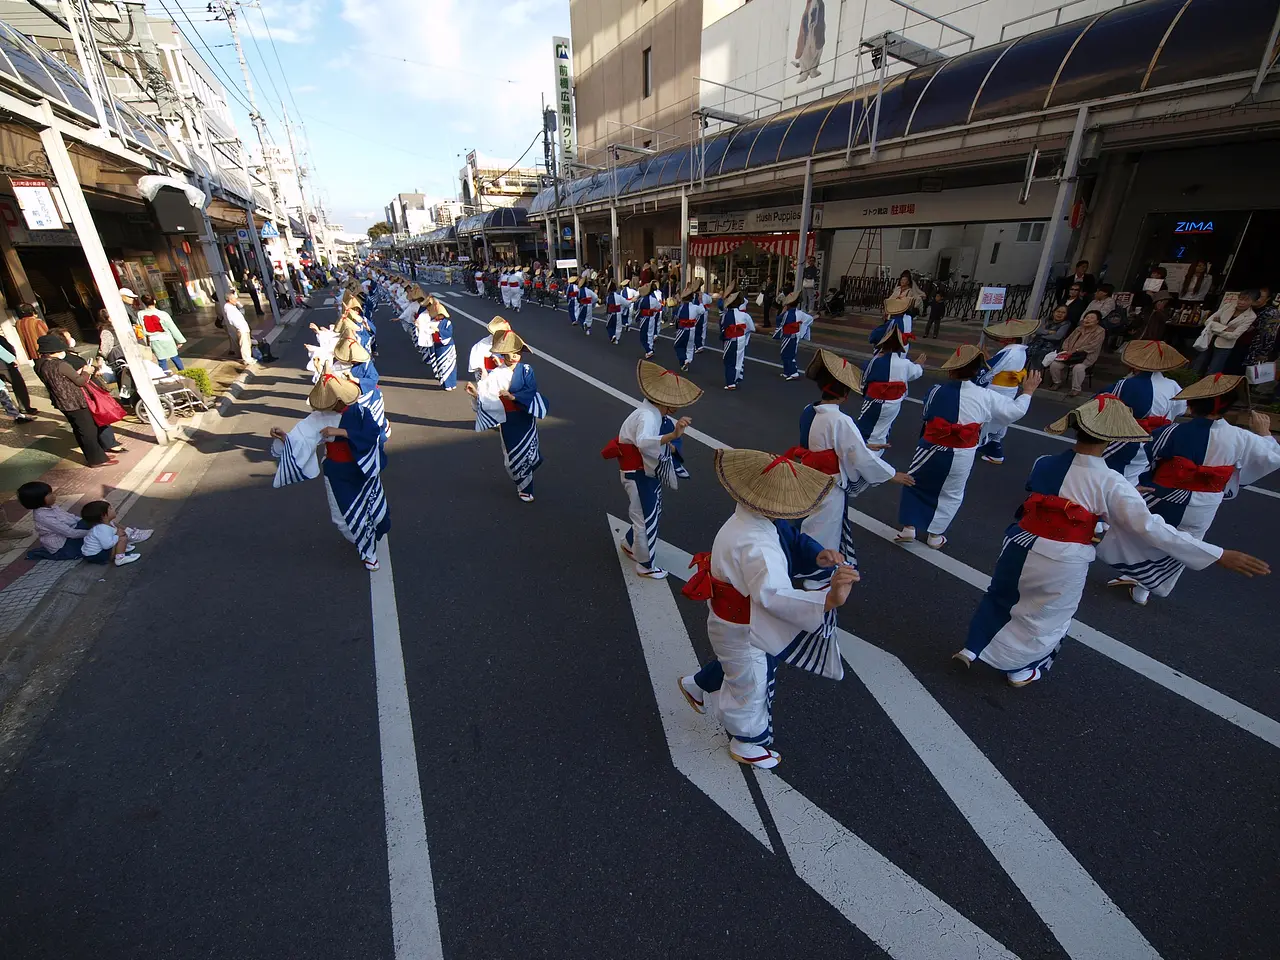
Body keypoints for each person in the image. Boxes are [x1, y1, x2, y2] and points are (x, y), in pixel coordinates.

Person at [956, 395, 1267, 686]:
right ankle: (1020, 668)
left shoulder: (1044, 462)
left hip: (1019, 542)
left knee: (1001, 594)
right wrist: (1216, 553)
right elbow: (1150, 528)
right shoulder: (1112, 482)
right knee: (1049, 615)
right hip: (1062, 557)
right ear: (1114, 437)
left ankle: (973, 648)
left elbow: (1051, 490)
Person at [677, 448, 859, 769]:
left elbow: (792, 540)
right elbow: (774, 595)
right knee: (753, 680)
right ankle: (746, 741)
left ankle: (697, 685)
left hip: (731, 616)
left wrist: (819, 556)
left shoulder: (750, 518)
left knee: (737, 664)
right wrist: (828, 599)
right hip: (744, 622)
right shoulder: (757, 543)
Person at [1099, 374, 1280, 605]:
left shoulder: (1170, 432)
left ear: (1191, 406)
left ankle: (1136, 572)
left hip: (1166, 496)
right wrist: (1263, 432)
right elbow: (1272, 455)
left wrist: (1139, 481)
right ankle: (1147, 586)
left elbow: (1146, 457)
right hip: (1207, 502)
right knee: (1188, 542)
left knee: (1149, 533)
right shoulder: (1242, 437)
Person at [897, 345, 1041, 549]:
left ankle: (909, 527)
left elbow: (927, 415)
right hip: (962, 452)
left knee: (915, 482)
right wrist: (1027, 392)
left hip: (931, 447)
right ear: (978, 371)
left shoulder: (935, 391)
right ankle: (935, 535)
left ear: (950, 370)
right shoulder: (986, 396)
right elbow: (1014, 412)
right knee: (952, 492)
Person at [790, 350, 911, 581]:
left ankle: (799, 562)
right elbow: (857, 456)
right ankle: (816, 577)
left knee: (806, 519)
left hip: (807, 475)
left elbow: (829, 443)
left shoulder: (809, 410)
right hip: (828, 483)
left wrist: (865, 446)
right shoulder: (840, 420)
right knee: (823, 528)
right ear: (845, 395)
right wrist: (891, 474)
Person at [270, 370, 390, 572]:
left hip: (362, 470)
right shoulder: (317, 417)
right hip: (336, 472)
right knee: (345, 518)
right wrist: (284, 437)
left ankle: (368, 536)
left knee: (378, 516)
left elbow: (372, 434)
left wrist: (341, 432)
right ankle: (367, 550)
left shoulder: (360, 412)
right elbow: (301, 439)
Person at [603, 360, 700, 579]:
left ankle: (629, 543)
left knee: (646, 512)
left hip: (641, 471)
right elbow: (645, 442)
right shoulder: (647, 416)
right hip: (637, 472)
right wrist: (673, 436)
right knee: (646, 517)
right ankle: (645, 565)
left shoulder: (653, 413)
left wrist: (671, 441)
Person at [465, 331, 548, 503]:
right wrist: (476, 394)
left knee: (530, 450)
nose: (514, 357)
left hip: (525, 416)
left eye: (517, 353)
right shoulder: (497, 374)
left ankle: (526, 486)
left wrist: (515, 397)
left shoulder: (526, 370)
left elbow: (531, 389)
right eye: (510, 354)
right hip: (508, 419)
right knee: (512, 456)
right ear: (503, 355)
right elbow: (487, 393)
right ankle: (521, 482)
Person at [1100, 339, 1188, 485]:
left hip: (1126, 440)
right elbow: (1181, 410)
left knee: (1114, 478)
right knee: (1138, 478)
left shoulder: (1125, 384)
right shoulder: (1173, 386)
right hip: (1159, 440)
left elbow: (1100, 405)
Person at [32, 334, 119, 467]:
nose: (62, 352)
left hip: (60, 402)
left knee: (79, 429)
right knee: (87, 430)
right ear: (53, 352)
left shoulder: (39, 365)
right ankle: (97, 459)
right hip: (75, 401)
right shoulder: (61, 364)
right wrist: (86, 371)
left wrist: (76, 373)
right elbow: (80, 382)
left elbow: (59, 380)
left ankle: (97, 455)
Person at [19, 481, 150, 561]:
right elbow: (69, 533)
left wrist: (90, 521)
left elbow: (72, 518)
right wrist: (94, 531)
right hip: (65, 545)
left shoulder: (52, 507)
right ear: (38, 500)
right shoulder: (42, 516)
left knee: (100, 519)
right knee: (102, 526)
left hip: (75, 531)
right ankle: (122, 541)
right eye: (49, 495)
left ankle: (129, 533)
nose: (54, 495)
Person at [975, 318, 1039, 464]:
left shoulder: (1010, 351)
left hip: (997, 389)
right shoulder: (1020, 350)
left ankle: (985, 449)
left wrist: (976, 380)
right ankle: (992, 450)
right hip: (1009, 389)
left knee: (986, 418)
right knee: (999, 419)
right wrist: (984, 353)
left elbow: (991, 369)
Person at [857, 326, 925, 449]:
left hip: (873, 401)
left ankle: (863, 449)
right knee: (883, 428)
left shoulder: (875, 362)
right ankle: (879, 448)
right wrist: (918, 364)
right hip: (894, 403)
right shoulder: (905, 364)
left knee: (865, 427)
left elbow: (866, 374)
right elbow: (916, 372)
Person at [1192, 290, 1257, 375]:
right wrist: (1225, 329)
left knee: (1213, 371)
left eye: (1246, 300)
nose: (1242, 302)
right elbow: (1208, 322)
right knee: (1197, 366)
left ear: (1253, 302)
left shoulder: (1251, 316)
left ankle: (1207, 388)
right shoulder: (1228, 306)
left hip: (1224, 346)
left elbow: (1234, 335)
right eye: (1240, 299)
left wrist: (1216, 326)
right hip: (1209, 339)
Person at [1047, 309, 1106, 396]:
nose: (1088, 319)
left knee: (1078, 368)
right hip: (1070, 354)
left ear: (1097, 321)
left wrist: (1076, 350)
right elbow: (1067, 340)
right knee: (1054, 364)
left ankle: (1076, 388)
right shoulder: (1079, 328)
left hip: (1086, 356)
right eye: (1087, 317)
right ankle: (1057, 382)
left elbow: (1093, 346)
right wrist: (1066, 349)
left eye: (1091, 318)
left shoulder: (1100, 331)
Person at [79, 500, 142, 567]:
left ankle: (121, 549)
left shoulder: (107, 524)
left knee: (119, 535)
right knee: (122, 538)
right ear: (104, 516)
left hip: (94, 553)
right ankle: (120, 559)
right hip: (96, 556)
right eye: (110, 508)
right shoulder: (102, 528)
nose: (113, 509)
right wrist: (118, 535)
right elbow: (107, 545)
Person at [136, 294, 187, 372]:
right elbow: (172, 327)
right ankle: (183, 372)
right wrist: (180, 340)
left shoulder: (140, 314)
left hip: (153, 340)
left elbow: (140, 328)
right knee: (174, 356)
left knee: (161, 360)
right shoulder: (163, 314)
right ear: (154, 301)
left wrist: (145, 341)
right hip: (166, 338)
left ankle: (165, 377)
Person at [773, 290, 815, 380]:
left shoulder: (787, 314)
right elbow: (810, 319)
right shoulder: (799, 313)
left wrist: (783, 311)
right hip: (794, 335)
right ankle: (787, 372)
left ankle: (793, 372)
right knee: (787, 354)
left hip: (789, 336)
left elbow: (778, 320)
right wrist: (802, 327)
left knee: (788, 355)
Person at [720, 287, 754, 391]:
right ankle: (736, 378)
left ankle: (731, 382)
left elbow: (722, 328)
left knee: (729, 361)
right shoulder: (745, 315)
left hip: (730, 340)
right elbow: (751, 328)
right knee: (738, 360)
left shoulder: (725, 316)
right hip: (741, 339)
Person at [0, 337, 34, 424]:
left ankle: (15, 415)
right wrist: (11, 359)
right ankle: (18, 414)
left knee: (2, 392)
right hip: (4, 366)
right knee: (5, 391)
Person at [672, 282, 706, 371]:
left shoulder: (680, 308)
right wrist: (700, 300)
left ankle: (684, 360)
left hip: (682, 329)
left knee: (678, 346)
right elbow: (702, 310)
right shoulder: (695, 307)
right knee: (690, 347)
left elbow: (676, 316)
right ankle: (688, 361)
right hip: (692, 329)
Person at [1027, 304, 1073, 369]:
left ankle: (1033, 376)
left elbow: (1057, 336)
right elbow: (1037, 330)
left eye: (1063, 313)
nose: (1060, 314)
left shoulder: (1066, 323)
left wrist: (1041, 335)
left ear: (1066, 315)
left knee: (1038, 355)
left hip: (1051, 346)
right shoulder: (1045, 319)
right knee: (1024, 351)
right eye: (1058, 311)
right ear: (1054, 312)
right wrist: (1048, 332)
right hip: (1037, 343)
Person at [223, 289, 256, 366]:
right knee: (244, 344)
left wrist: (237, 303)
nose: (236, 300)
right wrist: (239, 326)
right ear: (230, 300)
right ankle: (246, 359)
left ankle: (249, 357)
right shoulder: (228, 307)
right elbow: (231, 319)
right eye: (234, 299)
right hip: (241, 328)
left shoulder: (233, 306)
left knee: (248, 343)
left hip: (244, 326)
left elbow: (242, 308)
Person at [636, 282, 663, 359]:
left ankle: (649, 350)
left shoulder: (642, 300)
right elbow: (659, 307)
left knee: (643, 336)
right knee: (650, 334)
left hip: (645, 318)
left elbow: (638, 308)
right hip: (652, 318)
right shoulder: (654, 300)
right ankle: (650, 348)